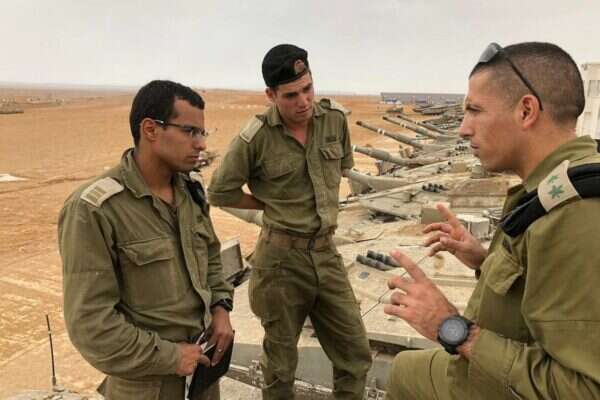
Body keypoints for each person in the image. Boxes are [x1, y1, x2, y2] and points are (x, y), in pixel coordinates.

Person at [384, 41, 600, 399]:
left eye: (475, 110)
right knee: (406, 369)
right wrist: (484, 260)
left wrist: (452, 327)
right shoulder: (556, 187)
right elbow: (545, 283)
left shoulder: (576, 215)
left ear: (526, 111)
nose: (464, 129)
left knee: (406, 372)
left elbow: (585, 390)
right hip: (498, 370)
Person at [207, 44, 372, 399]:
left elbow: (344, 167)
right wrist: (266, 205)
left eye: (308, 88)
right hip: (280, 261)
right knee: (280, 367)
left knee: (356, 355)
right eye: (291, 95)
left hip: (326, 253)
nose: (304, 101)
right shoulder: (256, 137)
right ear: (271, 95)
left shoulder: (334, 120)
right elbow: (219, 192)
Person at [58, 80, 234, 400]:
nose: (201, 144)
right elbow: (91, 325)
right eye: (189, 131)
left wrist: (220, 308)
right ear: (150, 129)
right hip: (146, 386)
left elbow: (209, 253)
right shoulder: (95, 209)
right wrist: (171, 357)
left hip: (203, 374)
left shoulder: (191, 190)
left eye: (202, 133)